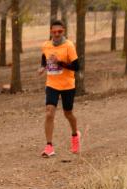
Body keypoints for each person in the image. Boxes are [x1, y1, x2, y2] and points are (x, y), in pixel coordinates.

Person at [38, 20, 81, 157]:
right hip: (52, 84)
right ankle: (49, 146)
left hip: (68, 85)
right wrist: (42, 67)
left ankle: (75, 135)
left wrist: (60, 63)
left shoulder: (69, 46)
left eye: (59, 32)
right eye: (54, 32)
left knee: (68, 113)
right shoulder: (46, 45)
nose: (56, 34)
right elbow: (44, 60)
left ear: (64, 31)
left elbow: (76, 66)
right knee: (49, 113)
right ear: (50, 32)